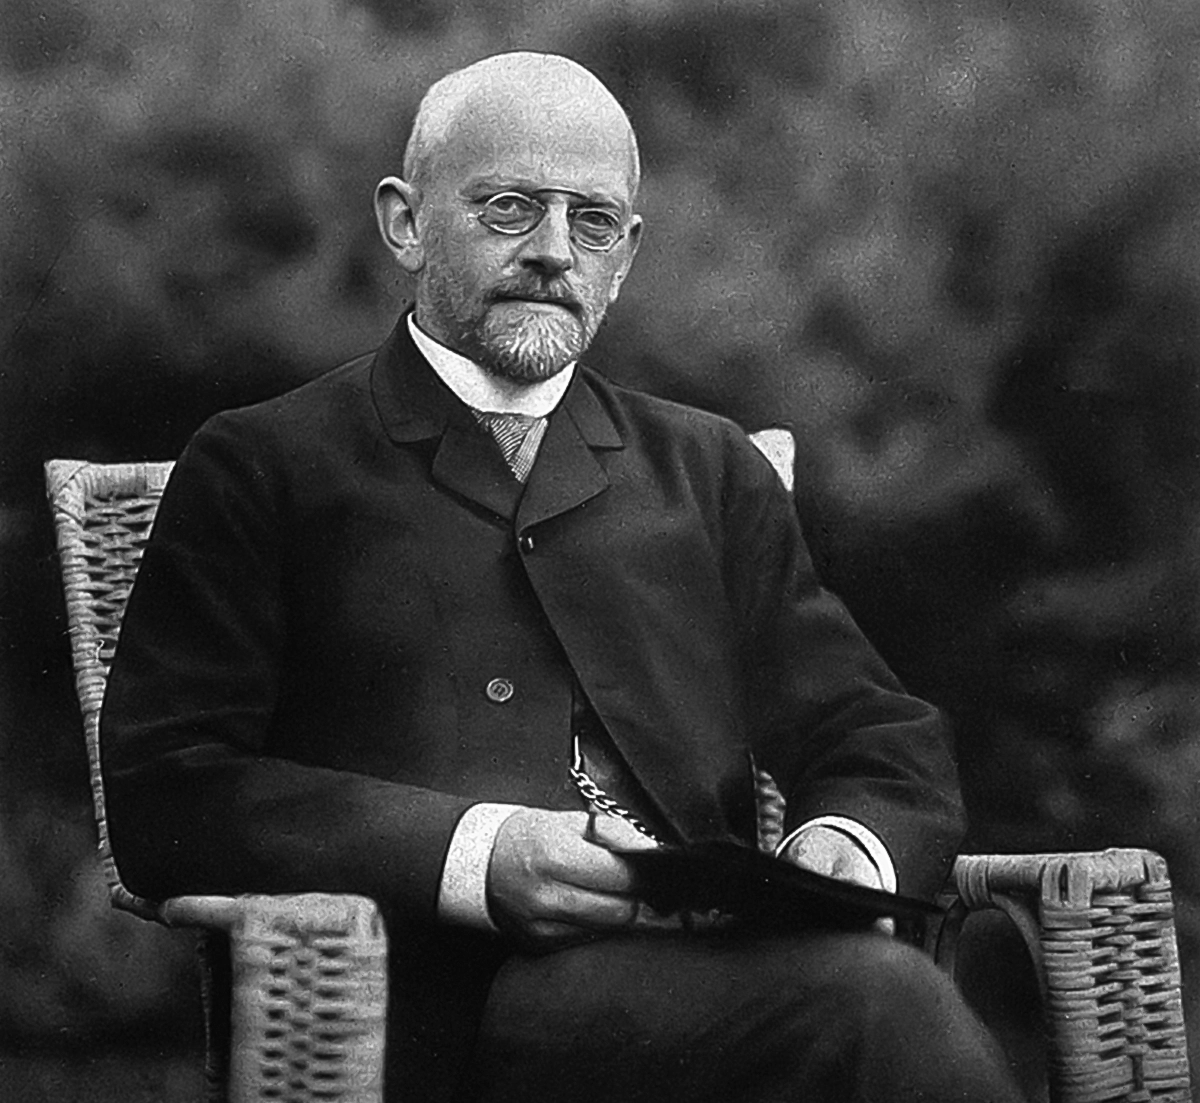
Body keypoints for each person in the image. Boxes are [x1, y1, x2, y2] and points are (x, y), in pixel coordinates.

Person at [101, 51, 1025, 1102]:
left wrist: (842, 847)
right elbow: (169, 789)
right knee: (879, 1003)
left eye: (591, 222)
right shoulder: (267, 461)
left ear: (624, 258)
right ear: (406, 222)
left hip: (728, 978)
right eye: (507, 208)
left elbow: (873, 732)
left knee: (867, 994)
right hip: (435, 1006)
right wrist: (477, 851)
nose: (552, 251)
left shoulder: (706, 468)